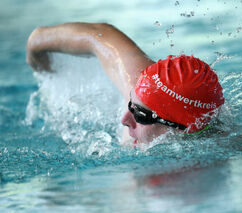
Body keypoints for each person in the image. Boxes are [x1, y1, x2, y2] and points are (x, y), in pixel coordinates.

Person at [26, 22, 225, 147]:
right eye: (131, 102)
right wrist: (37, 53)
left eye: (140, 115)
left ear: (184, 129)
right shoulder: (140, 82)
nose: (124, 120)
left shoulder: (220, 151)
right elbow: (99, 34)